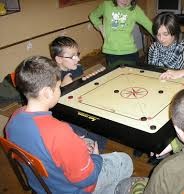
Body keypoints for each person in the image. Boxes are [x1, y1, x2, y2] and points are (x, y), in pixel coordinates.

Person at [5, 56, 133, 194]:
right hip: (71, 189)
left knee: (87, 142)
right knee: (125, 161)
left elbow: (44, 145)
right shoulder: (59, 132)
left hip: (42, 184)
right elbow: (87, 179)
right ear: (47, 92)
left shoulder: (14, 118)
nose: (59, 90)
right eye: (58, 87)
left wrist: (75, 144)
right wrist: (96, 158)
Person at [49, 36, 108, 150]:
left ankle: (89, 146)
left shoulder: (77, 68)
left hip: (80, 104)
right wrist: (62, 88)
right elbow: (51, 105)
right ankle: (80, 144)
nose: (77, 59)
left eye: (77, 54)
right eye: (72, 57)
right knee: (81, 129)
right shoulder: (52, 76)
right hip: (64, 114)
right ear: (59, 59)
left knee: (102, 130)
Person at [89, 0, 153, 68]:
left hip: (130, 52)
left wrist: (163, 38)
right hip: (111, 52)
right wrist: (100, 27)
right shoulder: (106, 5)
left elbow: (149, 25)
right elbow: (93, 16)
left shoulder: (135, 9)